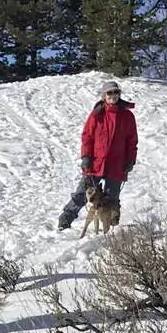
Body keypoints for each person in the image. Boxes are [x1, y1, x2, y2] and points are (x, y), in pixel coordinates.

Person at [58, 80, 139, 230]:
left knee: (111, 198)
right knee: (83, 193)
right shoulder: (97, 115)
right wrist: (86, 157)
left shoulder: (127, 116)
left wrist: (130, 160)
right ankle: (65, 220)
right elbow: (87, 137)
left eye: (116, 92)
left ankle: (112, 227)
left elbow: (132, 141)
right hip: (96, 162)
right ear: (104, 95)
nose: (113, 95)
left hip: (117, 164)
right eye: (110, 93)